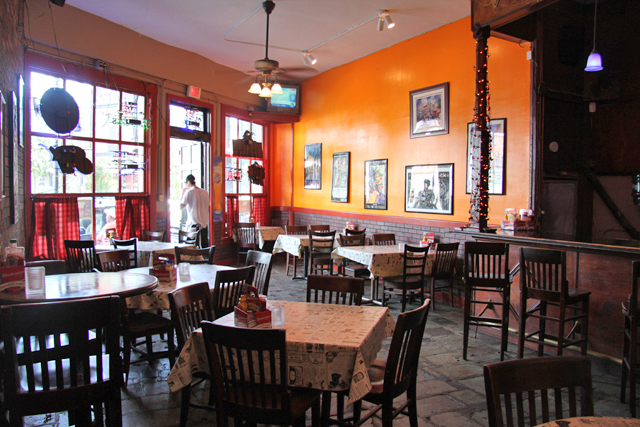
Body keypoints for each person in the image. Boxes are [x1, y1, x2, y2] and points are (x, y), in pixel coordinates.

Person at [180, 174, 210, 248]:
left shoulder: (189, 192)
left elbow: (180, 207)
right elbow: (208, 207)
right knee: (204, 248)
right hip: (204, 225)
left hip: (193, 225)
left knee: (190, 249)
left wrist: (183, 192)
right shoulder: (205, 192)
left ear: (188, 182)